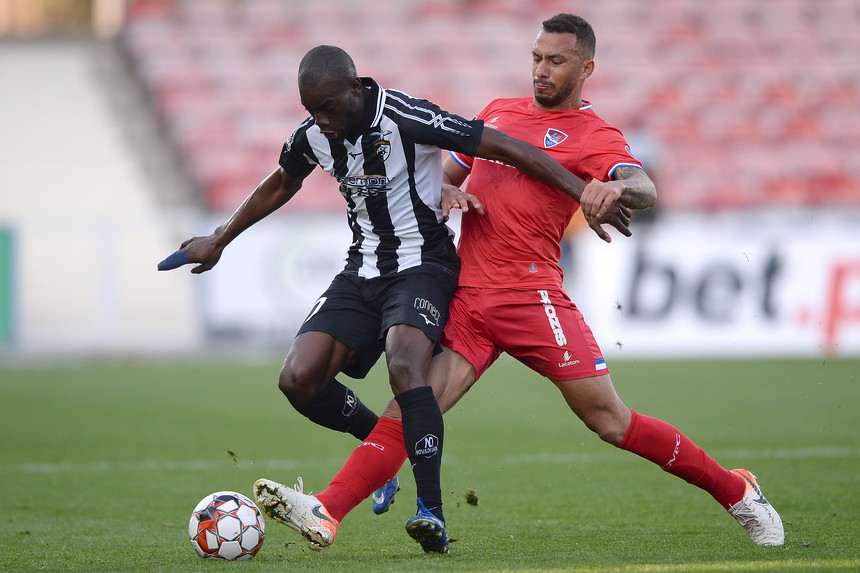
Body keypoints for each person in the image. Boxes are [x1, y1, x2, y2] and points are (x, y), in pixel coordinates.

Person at [252, 14, 785, 554]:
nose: (540, 70)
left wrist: (612, 192)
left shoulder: (595, 135)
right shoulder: (499, 112)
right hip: (466, 295)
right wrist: (448, 195)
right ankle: (328, 509)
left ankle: (737, 490)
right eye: (536, 58)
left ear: (586, 67)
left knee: (609, 420)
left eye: (555, 61)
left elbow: (643, 186)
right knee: (410, 403)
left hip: (533, 298)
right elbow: (439, 180)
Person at [170, 44, 630, 554]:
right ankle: (381, 457)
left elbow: (500, 145)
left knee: (405, 363)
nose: (322, 121)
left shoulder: (406, 116)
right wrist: (220, 237)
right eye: (311, 112)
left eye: (329, 108)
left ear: (353, 88)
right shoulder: (314, 136)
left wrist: (581, 191)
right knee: (298, 380)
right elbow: (282, 181)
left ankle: (430, 510)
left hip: (423, 265)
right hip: (362, 268)